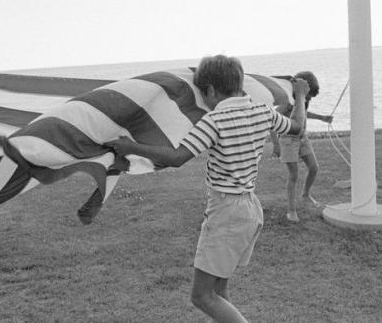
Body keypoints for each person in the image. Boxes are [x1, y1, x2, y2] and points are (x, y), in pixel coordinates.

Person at [105, 55, 309, 323]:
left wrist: (132, 147)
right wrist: (301, 96)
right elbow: (297, 126)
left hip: (227, 212)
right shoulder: (262, 112)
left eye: (203, 95)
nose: (203, 101)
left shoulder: (215, 120)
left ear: (211, 89)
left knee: (201, 296)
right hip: (248, 209)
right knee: (219, 291)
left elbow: (177, 157)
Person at [269, 71, 333, 222]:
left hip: (302, 137)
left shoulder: (303, 99)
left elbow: (303, 112)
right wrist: (275, 145)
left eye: (310, 98)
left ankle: (305, 194)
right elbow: (271, 121)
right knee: (294, 175)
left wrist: (322, 118)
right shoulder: (288, 101)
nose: (309, 99)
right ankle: (291, 211)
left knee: (314, 167)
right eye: (308, 96)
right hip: (287, 140)